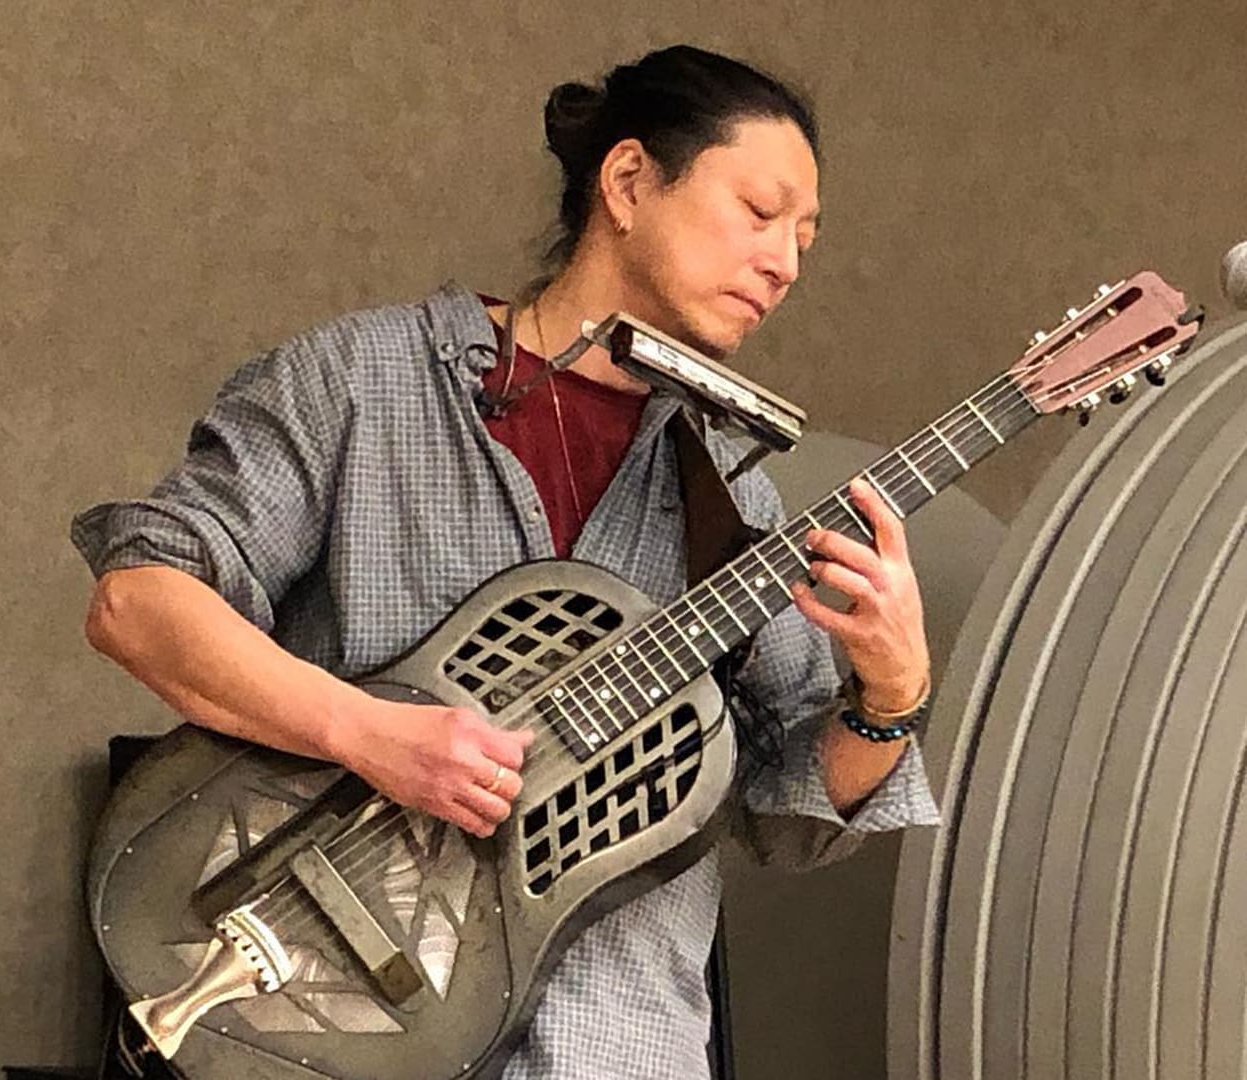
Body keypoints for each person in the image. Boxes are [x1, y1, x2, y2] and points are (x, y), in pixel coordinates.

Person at [73, 44, 939, 1079]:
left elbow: (788, 815)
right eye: (758, 213)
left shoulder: (728, 496)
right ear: (626, 184)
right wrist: (368, 733)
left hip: (618, 1048)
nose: (786, 263)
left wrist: (890, 690)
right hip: (326, 1018)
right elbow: (140, 600)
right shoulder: (363, 380)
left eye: (805, 238)